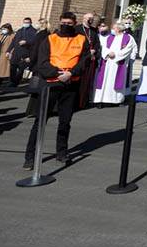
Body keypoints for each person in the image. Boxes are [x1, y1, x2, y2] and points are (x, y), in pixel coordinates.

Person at [23, 12, 90, 168]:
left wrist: (71, 73)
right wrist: (56, 73)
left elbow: (84, 60)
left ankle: (62, 152)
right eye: (63, 22)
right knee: (40, 121)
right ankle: (30, 156)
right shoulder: (50, 39)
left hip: (70, 84)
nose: (65, 25)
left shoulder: (81, 39)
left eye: (69, 23)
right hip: (51, 83)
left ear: (75, 23)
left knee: (65, 122)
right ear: (59, 22)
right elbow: (42, 62)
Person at [93, 22, 137, 105]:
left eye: (114, 28)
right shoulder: (109, 37)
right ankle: (101, 99)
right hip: (107, 63)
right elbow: (103, 47)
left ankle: (115, 100)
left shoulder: (128, 38)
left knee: (115, 81)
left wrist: (116, 56)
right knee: (105, 81)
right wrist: (108, 53)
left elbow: (127, 50)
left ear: (118, 29)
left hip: (118, 63)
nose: (112, 30)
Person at [78, 13, 104, 109]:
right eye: (89, 18)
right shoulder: (77, 29)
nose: (91, 20)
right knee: (79, 82)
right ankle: (76, 102)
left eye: (92, 19)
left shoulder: (93, 30)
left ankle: (84, 102)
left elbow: (97, 43)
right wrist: (87, 51)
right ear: (84, 18)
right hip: (81, 59)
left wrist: (95, 51)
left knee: (88, 81)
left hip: (91, 60)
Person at [8, 17, 38, 86]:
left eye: (27, 23)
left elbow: (34, 42)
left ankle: (16, 82)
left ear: (30, 23)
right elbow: (14, 41)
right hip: (16, 52)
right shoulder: (20, 30)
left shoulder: (34, 31)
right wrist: (8, 51)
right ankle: (12, 81)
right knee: (12, 67)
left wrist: (26, 42)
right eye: (24, 22)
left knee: (21, 69)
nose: (25, 24)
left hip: (25, 52)